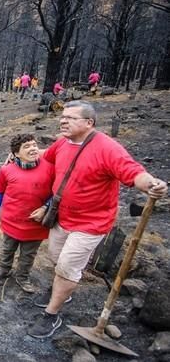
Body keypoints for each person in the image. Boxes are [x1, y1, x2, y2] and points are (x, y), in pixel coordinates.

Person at [26, 100, 167, 339]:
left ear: (89, 122)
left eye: (71, 117)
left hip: (91, 224)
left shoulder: (107, 148)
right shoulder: (63, 143)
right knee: (55, 257)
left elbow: (133, 172)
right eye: (63, 116)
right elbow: (45, 156)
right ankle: (63, 289)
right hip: (62, 216)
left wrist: (151, 184)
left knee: (68, 267)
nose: (63, 120)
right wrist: (24, 154)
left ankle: (52, 314)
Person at [0, 134, 54, 293]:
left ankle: (22, 276)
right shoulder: (6, 170)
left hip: (36, 223)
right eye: (27, 146)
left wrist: (45, 207)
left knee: (28, 254)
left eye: (34, 145)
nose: (33, 148)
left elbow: (57, 192)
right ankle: (4, 269)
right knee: (8, 248)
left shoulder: (50, 167)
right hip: (11, 220)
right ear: (16, 153)